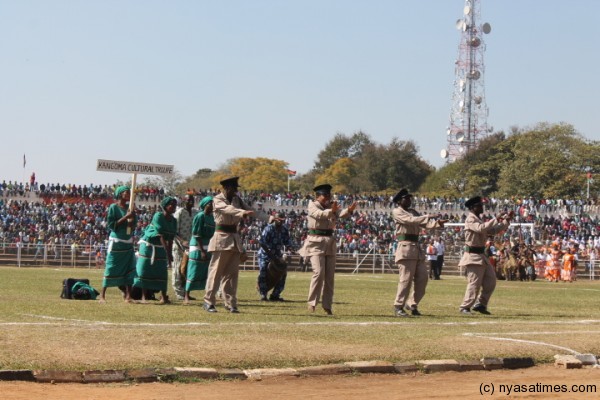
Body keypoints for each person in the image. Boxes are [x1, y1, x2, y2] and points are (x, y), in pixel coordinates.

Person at [300, 184, 357, 315]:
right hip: (316, 242)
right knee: (318, 273)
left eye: (329, 195)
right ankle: (312, 302)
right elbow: (319, 214)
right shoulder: (312, 205)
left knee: (330, 276)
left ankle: (327, 305)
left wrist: (349, 210)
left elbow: (340, 214)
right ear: (317, 196)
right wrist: (332, 210)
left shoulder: (331, 206)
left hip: (329, 241)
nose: (327, 198)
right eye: (325, 195)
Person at [203, 177, 254, 313]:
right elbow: (228, 209)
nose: (236, 191)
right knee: (216, 272)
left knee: (231, 275)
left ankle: (231, 303)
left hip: (234, 239)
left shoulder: (238, 200)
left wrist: (271, 218)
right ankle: (209, 302)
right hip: (221, 238)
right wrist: (242, 212)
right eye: (234, 188)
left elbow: (252, 210)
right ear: (226, 188)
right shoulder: (217, 200)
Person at [391, 188, 446, 317]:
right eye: (407, 198)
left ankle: (411, 303)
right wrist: (426, 216)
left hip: (416, 249)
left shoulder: (413, 212)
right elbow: (411, 220)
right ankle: (398, 305)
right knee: (406, 279)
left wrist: (437, 223)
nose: (410, 200)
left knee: (423, 278)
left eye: (410, 198)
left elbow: (424, 224)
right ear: (400, 200)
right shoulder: (397, 211)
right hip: (405, 248)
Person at [459, 197, 512, 315]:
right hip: (472, 255)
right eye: (479, 205)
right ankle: (465, 307)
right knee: (474, 283)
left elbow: (492, 231)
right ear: (473, 208)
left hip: (482, 255)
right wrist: (496, 218)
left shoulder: (479, 219)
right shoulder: (470, 219)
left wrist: (505, 222)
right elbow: (480, 229)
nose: (482, 207)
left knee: (491, 281)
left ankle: (481, 304)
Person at [133, 196, 178, 304]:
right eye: (171, 204)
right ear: (165, 206)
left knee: (162, 271)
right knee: (145, 270)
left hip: (161, 246)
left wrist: (170, 253)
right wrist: (167, 252)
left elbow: (170, 238)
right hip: (149, 245)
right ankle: (144, 296)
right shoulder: (158, 216)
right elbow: (160, 235)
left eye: (175, 205)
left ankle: (163, 296)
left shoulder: (174, 221)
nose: (173, 207)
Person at [99, 186, 137, 303]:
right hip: (116, 242)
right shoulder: (113, 207)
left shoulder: (130, 208)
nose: (128, 194)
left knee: (129, 268)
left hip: (128, 242)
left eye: (129, 193)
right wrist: (126, 217)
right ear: (120, 194)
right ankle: (102, 295)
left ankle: (128, 296)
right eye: (126, 192)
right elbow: (112, 225)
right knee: (111, 267)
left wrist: (132, 221)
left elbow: (132, 226)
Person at [184, 196, 215, 304]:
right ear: (204, 205)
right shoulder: (200, 216)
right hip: (197, 247)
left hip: (208, 246)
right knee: (194, 271)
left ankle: (208, 295)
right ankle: (186, 295)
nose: (212, 205)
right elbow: (196, 234)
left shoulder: (212, 217)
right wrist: (202, 250)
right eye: (210, 203)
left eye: (213, 203)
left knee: (207, 272)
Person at [257, 211, 293, 302]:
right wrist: (270, 255)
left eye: (282, 220)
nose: (281, 222)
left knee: (282, 274)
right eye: (279, 220)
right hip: (265, 255)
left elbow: (287, 242)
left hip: (277, 256)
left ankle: (275, 295)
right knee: (263, 273)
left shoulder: (284, 230)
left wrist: (289, 250)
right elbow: (262, 243)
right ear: (275, 219)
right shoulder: (268, 229)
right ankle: (263, 294)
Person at [172, 194, 197, 300]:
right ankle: (178, 292)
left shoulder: (196, 213)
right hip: (179, 245)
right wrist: (182, 241)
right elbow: (173, 231)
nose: (190, 202)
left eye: (192, 200)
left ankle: (186, 292)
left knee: (186, 269)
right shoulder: (179, 213)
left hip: (190, 246)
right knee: (178, 268)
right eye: (188, 200)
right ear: (183, 201)